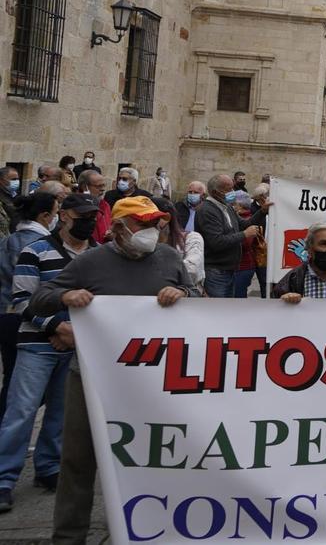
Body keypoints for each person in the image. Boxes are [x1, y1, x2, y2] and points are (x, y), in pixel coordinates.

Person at [28, 196, 198, 544]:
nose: (151, 231)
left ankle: (148, 531)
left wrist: (181, 292)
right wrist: (66, 296)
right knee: (78, 460)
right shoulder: (91, 261)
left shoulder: (168, 257)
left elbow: (196, 296)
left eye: (155, 224)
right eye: (142, 224)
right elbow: (39, 297)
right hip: (92, 378)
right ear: (119, 228)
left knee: (153, 459)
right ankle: (69, 536)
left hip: (152, 381)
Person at [0, 194, 100, 512]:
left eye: (92, 215)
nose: (88, 221)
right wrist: (56, 327)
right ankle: (4, 478)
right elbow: (21, 298)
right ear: (64, 216)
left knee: (60, 413)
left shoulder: (98, 256)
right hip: (38, 344)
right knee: (22, 412)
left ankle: (48, 467)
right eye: (81, 215)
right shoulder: (36, 251)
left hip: (76, 347)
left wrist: (74, 335)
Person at [0, 192, 59, 423]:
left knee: (13, 378)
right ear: (45, 216)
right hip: (22, 317)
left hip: (6, 315)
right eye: (55, 212)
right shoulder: (35, 244)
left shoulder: (9, 240)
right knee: (25, 386)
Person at [195, 174, 267, 298]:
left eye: (232, 188)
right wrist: (244, 234)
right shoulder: (207, 210)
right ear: (215, 192)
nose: (232, 192)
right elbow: (216, 242)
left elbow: (244, 224)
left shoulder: (227, 207)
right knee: (218, 312)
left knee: (228, 310)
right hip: (216, 272)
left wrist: (262, 211)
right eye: (228, 189)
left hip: (231, 270)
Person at [153, 197, 204, 289]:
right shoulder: (146, 240)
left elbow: (192, 271)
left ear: (165, 218)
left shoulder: (191, 238)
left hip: (185, 296)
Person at [75, 170, 111, 243]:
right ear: (85, 187)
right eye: (99, 186)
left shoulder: (105, 205)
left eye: (104, 185)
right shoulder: (76, 207)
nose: (103, 189)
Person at [0, 167, 19, 239]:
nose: (16, 182)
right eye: (13, 179)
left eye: (17, 179)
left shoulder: (14, 193)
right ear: (1, 180)